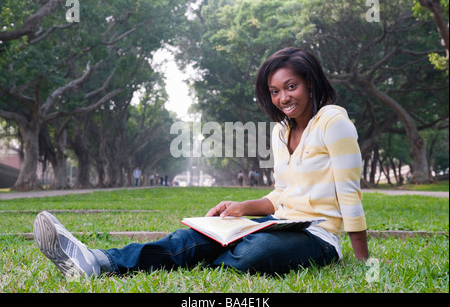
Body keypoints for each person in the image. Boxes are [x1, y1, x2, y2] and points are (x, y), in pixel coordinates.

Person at [33, 47, 368, 279]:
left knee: (256, 250)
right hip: (277, 222)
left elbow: (349, 193)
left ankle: (198, 255)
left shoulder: (332, 120)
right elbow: (282, 193)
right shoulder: (281, 132)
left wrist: (362, 260)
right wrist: (241, 207)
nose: (283, 99)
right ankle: (96, 260)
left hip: (319, 237)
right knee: (192, 236)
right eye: (275, 91)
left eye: (291, 87)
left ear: (310, 82)